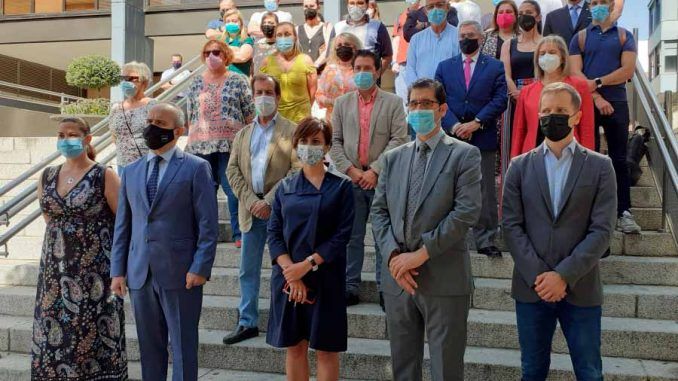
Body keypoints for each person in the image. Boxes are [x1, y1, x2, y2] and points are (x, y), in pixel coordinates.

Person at [502, 82, 617, 381]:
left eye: (561, 111)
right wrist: (541, 276)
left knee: (590, 372)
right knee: (532, 370)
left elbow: (603, 229)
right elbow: (511, 225)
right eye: (546, 111)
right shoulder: (519, 166)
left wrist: (563, 275)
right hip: (532, 287)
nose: (552, 116)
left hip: (581, 287)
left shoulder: (601, 167)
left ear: (577, 116)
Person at [371, 78, 481, 381]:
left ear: (442, 109)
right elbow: (379, 212)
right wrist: (395, 256)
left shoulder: (463, 155)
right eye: (413, 104)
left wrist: (420, 255)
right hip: (399, 280)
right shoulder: (393, 158)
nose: (418, 109)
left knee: (446, 370)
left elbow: (465, 212)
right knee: (403, 368)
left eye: (426, 104)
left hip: (444, 279)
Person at [111, 102, 218, 381]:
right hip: (140, 273)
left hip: (181, 273)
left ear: (179, 131)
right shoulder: (131, 171)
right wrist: (117, 271)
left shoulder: (197, 168)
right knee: (150, 348)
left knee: (183, 346)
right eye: (150, 120)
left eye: (160, 123)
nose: (152, 127)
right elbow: (123, 225)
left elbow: (208, 225)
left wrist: (201, 267)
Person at [32, 117, 126, 380]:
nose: (65, 139)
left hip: (95, 272)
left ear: (87, 139)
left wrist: (120, 270)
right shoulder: (47, 175)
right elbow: (50, 219)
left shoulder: (104, 175)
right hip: (54, 274)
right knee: (55, 337)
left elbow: (122, 224)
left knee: (92, 335)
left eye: (72, 134)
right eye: (61, 134)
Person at [267, 117, 355, 381]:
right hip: (288, 280)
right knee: (295, 347)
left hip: (326, 277)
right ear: (295, 145)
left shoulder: (341, 186)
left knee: (326, 350)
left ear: (327, 146)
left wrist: (306, 266)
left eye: (315, 141)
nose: (309, 146)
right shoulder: (284, 187)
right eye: (303, 141)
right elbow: (274, 234)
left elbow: (342, 236)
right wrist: (290, 273)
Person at [223, 74, 300, 345]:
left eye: (269, 92)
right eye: (259, 92)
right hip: (250, 210)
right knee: (248, 269)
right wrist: (251, 201)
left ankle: (284, 320)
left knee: (284, 268)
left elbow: (296, 169)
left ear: (278, 97)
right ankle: (247, 322)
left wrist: (268, 201)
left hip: (279, 211)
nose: (263, 97)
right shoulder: (243, 133)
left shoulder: (292, 130)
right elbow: (231, 170)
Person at [329, 49, 409, 309]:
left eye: (367, 68)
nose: (362, 73)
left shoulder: (394, 103)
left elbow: (399, 139)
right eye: (358, 68)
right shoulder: (342, 104)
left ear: (377, 71)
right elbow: (335, 142)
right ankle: (350, 285)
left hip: (382, 179)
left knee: (383, 235)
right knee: (352, 236)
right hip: (351, 179)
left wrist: (375, 170)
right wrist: (352, 171)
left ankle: (385, 287)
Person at [435, 20, 507, 258]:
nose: (466, 39)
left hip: (482, 135)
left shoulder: (495, 67)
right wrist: (454, 125)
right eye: (462, 35)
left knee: (485, 189)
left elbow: (500, 99)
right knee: (447, 187)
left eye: (471, 35)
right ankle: (447, 237)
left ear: (481, 38)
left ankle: (485, 239)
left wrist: (476, 123)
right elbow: (438, 101)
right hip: (451, 137)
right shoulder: (445, 67)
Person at [569, 0, 640, 233]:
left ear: (611, 5)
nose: (598, 5)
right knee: (587, 156)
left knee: (619, 159)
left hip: (618, 103)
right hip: (587, 105)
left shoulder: (624, 36)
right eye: (594, 2)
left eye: (603, 2)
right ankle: (589, 212)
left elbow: (627, 70)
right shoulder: (579, 37)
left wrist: (598, 82)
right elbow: (575, 72)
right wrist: (597, 97)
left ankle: (624, 212)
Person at [186, 40, 256, 248]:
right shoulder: (195, 82)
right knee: (204, 192)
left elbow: (250, 112)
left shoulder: (239, 80)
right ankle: (205, 234)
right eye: (207, 53)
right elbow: (190, 114)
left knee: (232, 188)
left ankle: (239, 232)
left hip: (230, 145)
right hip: (200, 146)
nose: (211, 56)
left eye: (216, 52)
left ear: (225, 55)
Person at [511, 35, 595, 158]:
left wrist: (588, 160)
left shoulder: (579, 86)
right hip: (533, 155)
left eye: (552, 52)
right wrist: (515, 162)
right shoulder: (526, 91)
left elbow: (587, 127)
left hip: (570, 154)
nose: (546, 56)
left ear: (562, 58)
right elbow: (519, 131)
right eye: (542, 53)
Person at [261, 22, 318, 123]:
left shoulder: (306, 60)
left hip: (301, 120)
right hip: (276, 119)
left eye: (287, 34)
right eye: (279, 35)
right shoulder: (267, 61)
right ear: (275, 39)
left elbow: (313, 92)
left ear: (295, 37)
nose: (283, 38)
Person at [110, 61, 156, 175]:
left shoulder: (153, 106)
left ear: (144, 82)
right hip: (123, 165)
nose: (127, 82)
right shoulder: (116, 107)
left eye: (132, 78)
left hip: (147, 164)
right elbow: (114, 136)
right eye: (124, 78)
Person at [404, 0, 460, 89]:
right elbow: (410, 69)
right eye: (430, 7)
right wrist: (419, 91)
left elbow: (463, 70)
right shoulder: (416, 39)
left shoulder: (459, 37)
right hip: (422, 96)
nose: (435, 10)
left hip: (450, 95)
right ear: (426, 11)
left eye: (439, 5)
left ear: (447, 8)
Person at [329, 0, 393, 74]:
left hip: (367, 79)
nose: (355, 7)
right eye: (352, 3)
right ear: (347, 5)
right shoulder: (338, 27)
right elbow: (330, 56)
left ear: (367, 5)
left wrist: (376, 75)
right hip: (342, 80)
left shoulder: (377, 27)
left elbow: (387, 56)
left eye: (360, 3)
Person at [501, 0, 543, 103]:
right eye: (520, 14)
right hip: (515, 96)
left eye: (529, 12)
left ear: (538, 17)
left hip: (540, 96)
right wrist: (516, 92)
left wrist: (530, 93)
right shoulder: (508, 44)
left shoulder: (546, 43)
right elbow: (506, 74)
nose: (524, 16)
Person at [316, 32, 362, 118]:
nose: (343, 47)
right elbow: (319, 94)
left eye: (347, 44)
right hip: (332, 119)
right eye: (339, 45)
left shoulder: (362, 70)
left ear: (355, 48)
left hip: (356, 119)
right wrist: (330, 101)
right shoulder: (329, 70)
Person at [392, 0, 421, 110]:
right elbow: (396, 38)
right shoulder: (401, 16)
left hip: (419, 62)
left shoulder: (425, 14)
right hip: (402, 62)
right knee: (402, 97)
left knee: (418, 95)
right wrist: (394, 61)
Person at [297, 0, 333, 71]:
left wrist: (315, 65)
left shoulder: (326, 27)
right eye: (306, 6)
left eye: (312, 6)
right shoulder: (297, 29)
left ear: (318, 7)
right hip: (302, 72)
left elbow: (329, 50)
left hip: (320, 72)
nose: (309, 9)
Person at [220, 9, 255, 76]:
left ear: (241, 24)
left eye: (234, 21)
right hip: (223, 80)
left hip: (240, 80)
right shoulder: (222, 41)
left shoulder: (246, 40)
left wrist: (223, 52)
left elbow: (242, 57)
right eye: (228, 21)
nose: (231, 23)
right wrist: (234, 50)